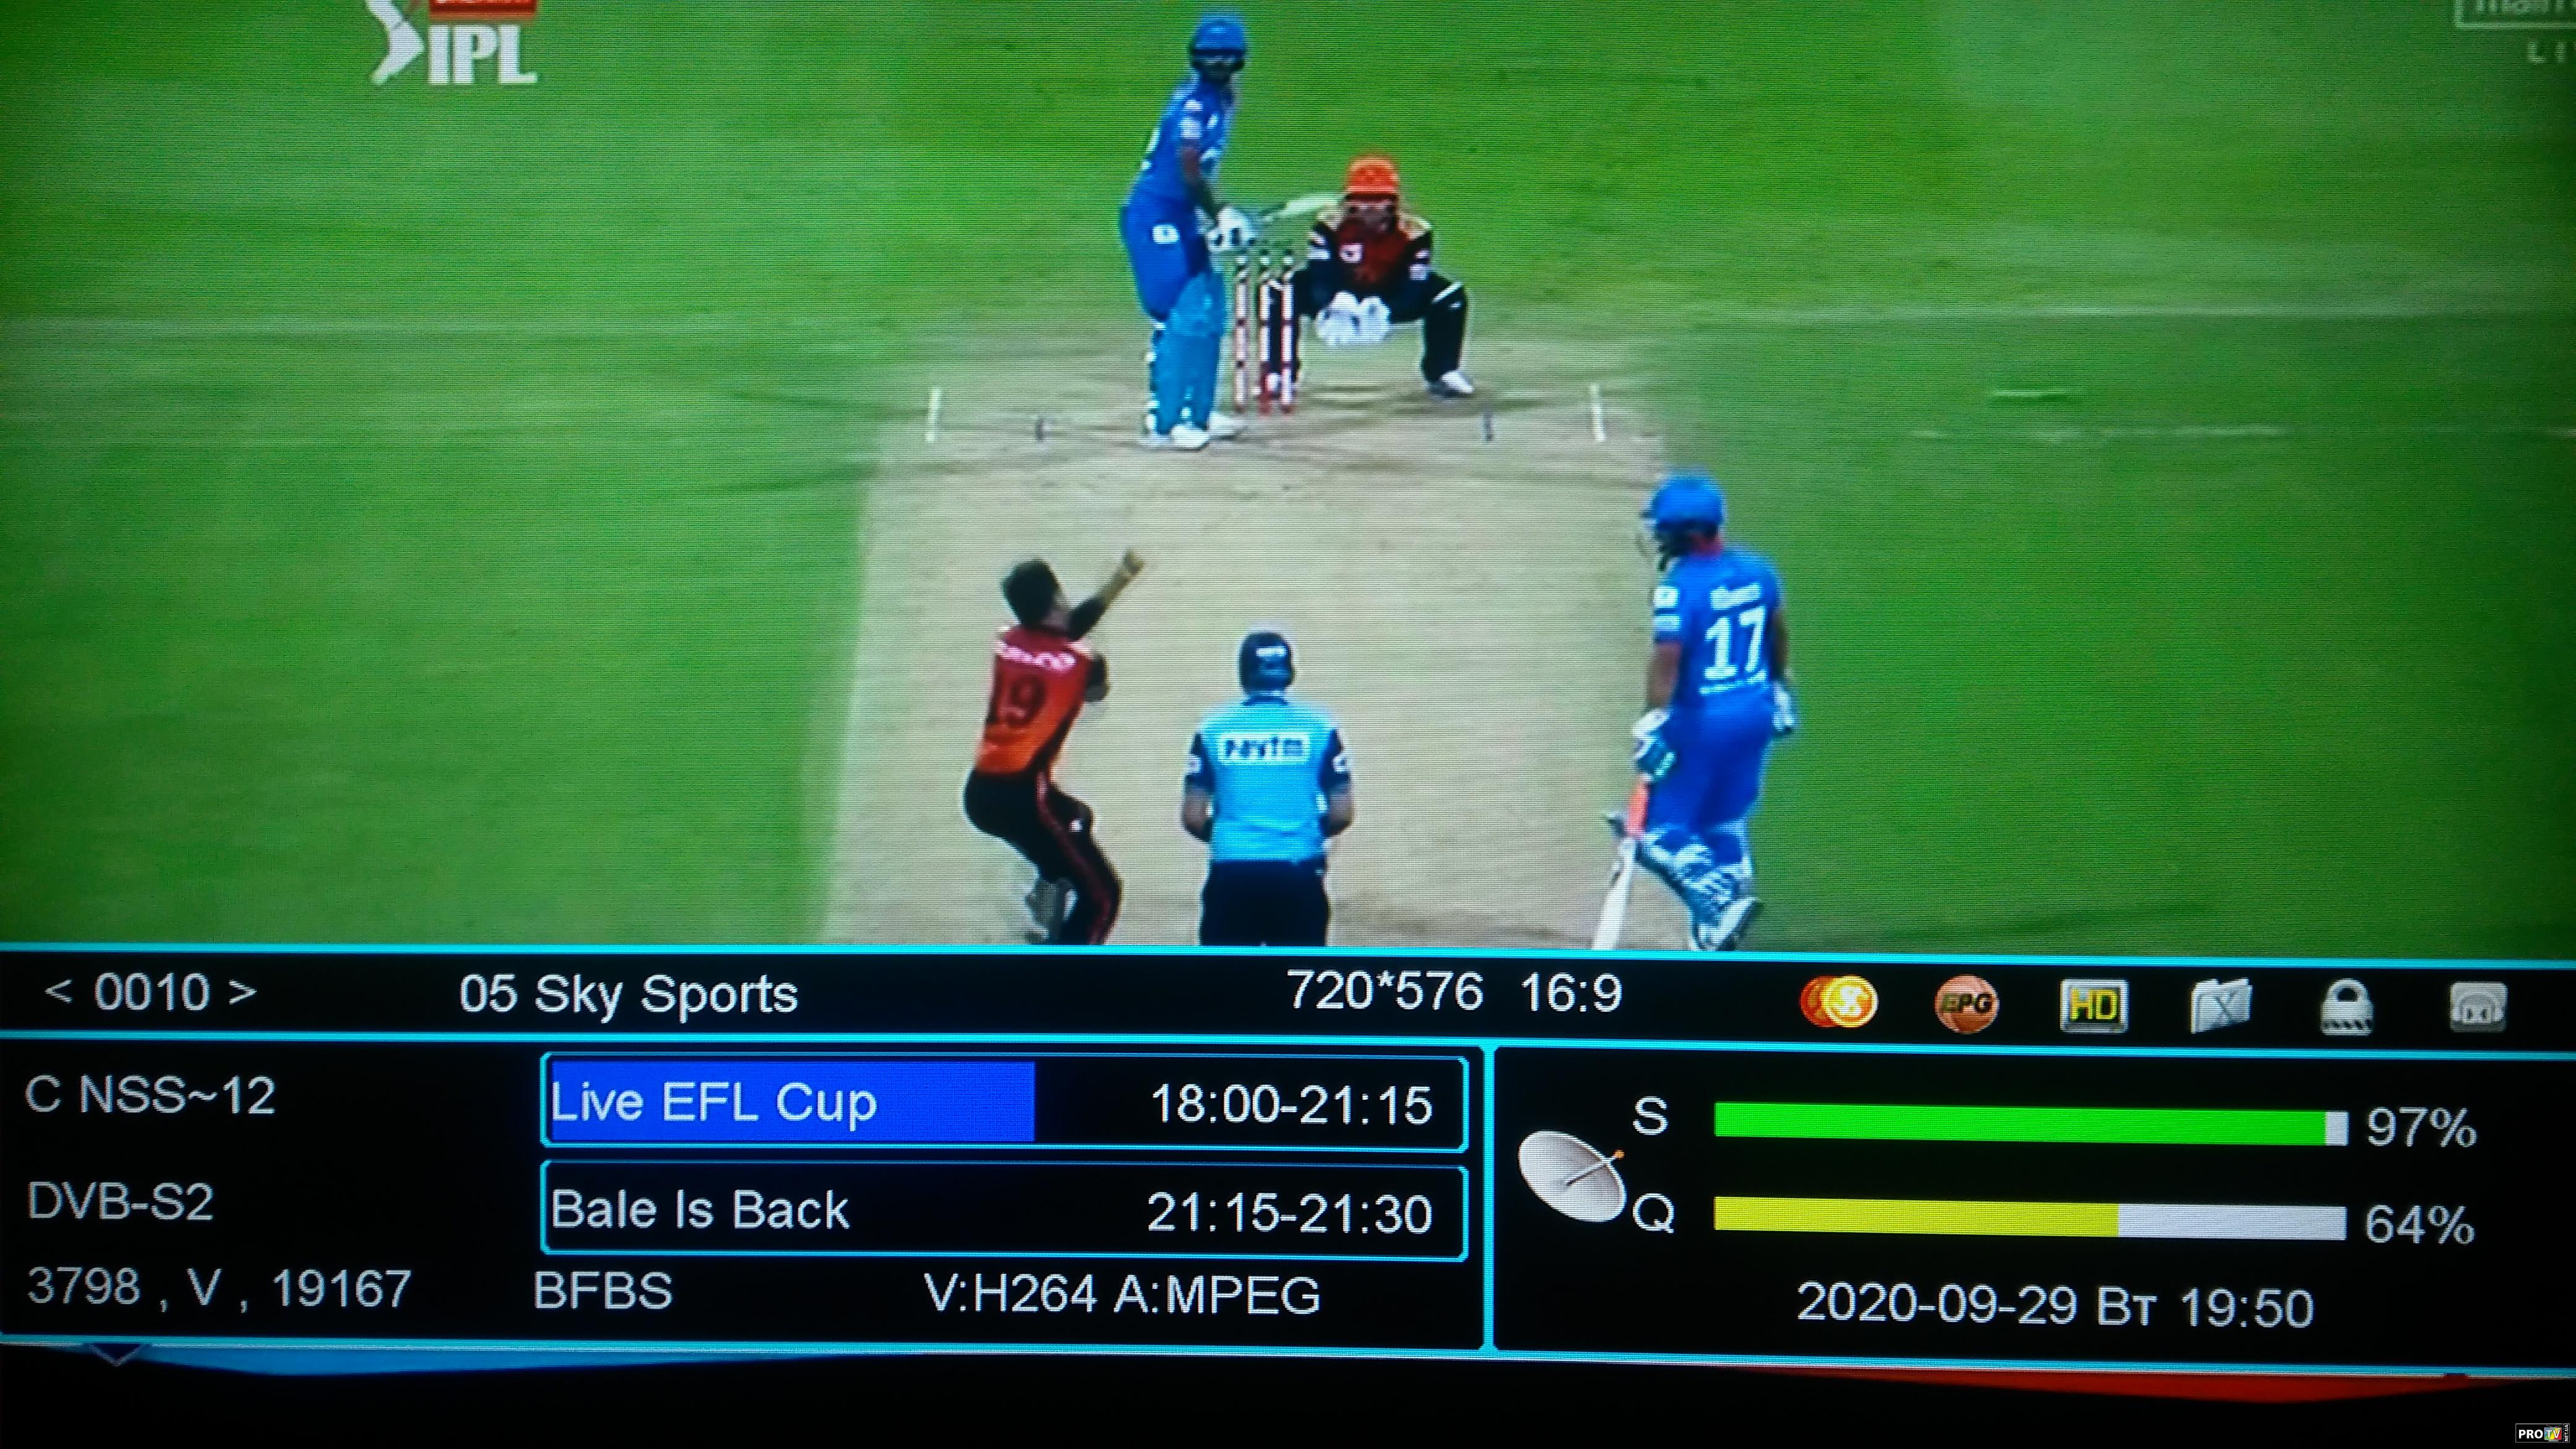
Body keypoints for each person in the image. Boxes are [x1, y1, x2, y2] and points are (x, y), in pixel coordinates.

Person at [1626, 474, 1796, 950]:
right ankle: (1723, 918)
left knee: (1659, 833)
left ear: (1683, 534)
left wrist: (1653, 722)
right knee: (1724, 819)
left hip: (1701, 722)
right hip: (1755, 712)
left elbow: (1668, 660)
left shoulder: (1679, 589)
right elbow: (1778, 633)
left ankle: (1718, 901)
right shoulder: (1759, 569)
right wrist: (1779, 686)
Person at [963, 551, 1146, 944]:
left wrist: (1119, 581)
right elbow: (1095, 691)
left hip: (980, 793)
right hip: (1026, 798)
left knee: (1076, 818)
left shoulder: (1006, 642)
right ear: (1058, 599)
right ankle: (1063, 969)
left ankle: (1044, 899)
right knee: (1102, 896)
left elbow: (1064, 631)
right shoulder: (1084, 663)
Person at [1120, 14, 1257, 451]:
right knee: (1176, 315)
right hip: (1153, 215)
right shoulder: (1193, 107)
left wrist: (1209, 220)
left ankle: (1199, 410)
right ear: (1196, 59)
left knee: (1208, 313)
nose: (1219, 65)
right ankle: (1165, 419)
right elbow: (1190, 171)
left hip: (1181, 215)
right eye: (1210, 57)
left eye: (1227, 58)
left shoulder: (1226, 100)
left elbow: (1202, 174)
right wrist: (1220, 214)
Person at [1180, 631, 1354, 946]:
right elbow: (1342, 814)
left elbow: (1193, 817)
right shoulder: (1320, 727)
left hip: (1232, 874)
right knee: (1295, 973)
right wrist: (1300, 835)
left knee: (1225, 975)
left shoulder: (1212, 730)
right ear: (1290, 672)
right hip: (1298, 874)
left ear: (1243, 672)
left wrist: (1234, 839)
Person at [1297, 154, 1475, 399]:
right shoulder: (1328, 226)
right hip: (1339, 294)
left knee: (1450, 295)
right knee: (1279, 291)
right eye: (1362, 200)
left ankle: (1443, 371)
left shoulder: (1415, 232)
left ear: (1394, 202)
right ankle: (1279, 373)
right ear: (1349, 201)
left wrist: (1386, 309)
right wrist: (1332, 302)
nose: (1370, 208)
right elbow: (1320, 273)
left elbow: (1414, 284)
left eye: (1379, 199)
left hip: (1390, 293)